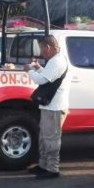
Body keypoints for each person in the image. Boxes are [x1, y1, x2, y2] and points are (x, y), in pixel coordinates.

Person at [26, 36, 70, 179]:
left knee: (51, 139)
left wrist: (29, 71)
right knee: (45, 138)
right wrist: (39, 68)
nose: (41, 53)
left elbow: (43, 80)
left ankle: (52, 168)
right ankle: (43, 165)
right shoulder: (56, 60)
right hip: (50, 105)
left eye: (42, 49)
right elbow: (48, 75)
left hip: (55, 107)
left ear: (48, 47)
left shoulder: (57, 61)